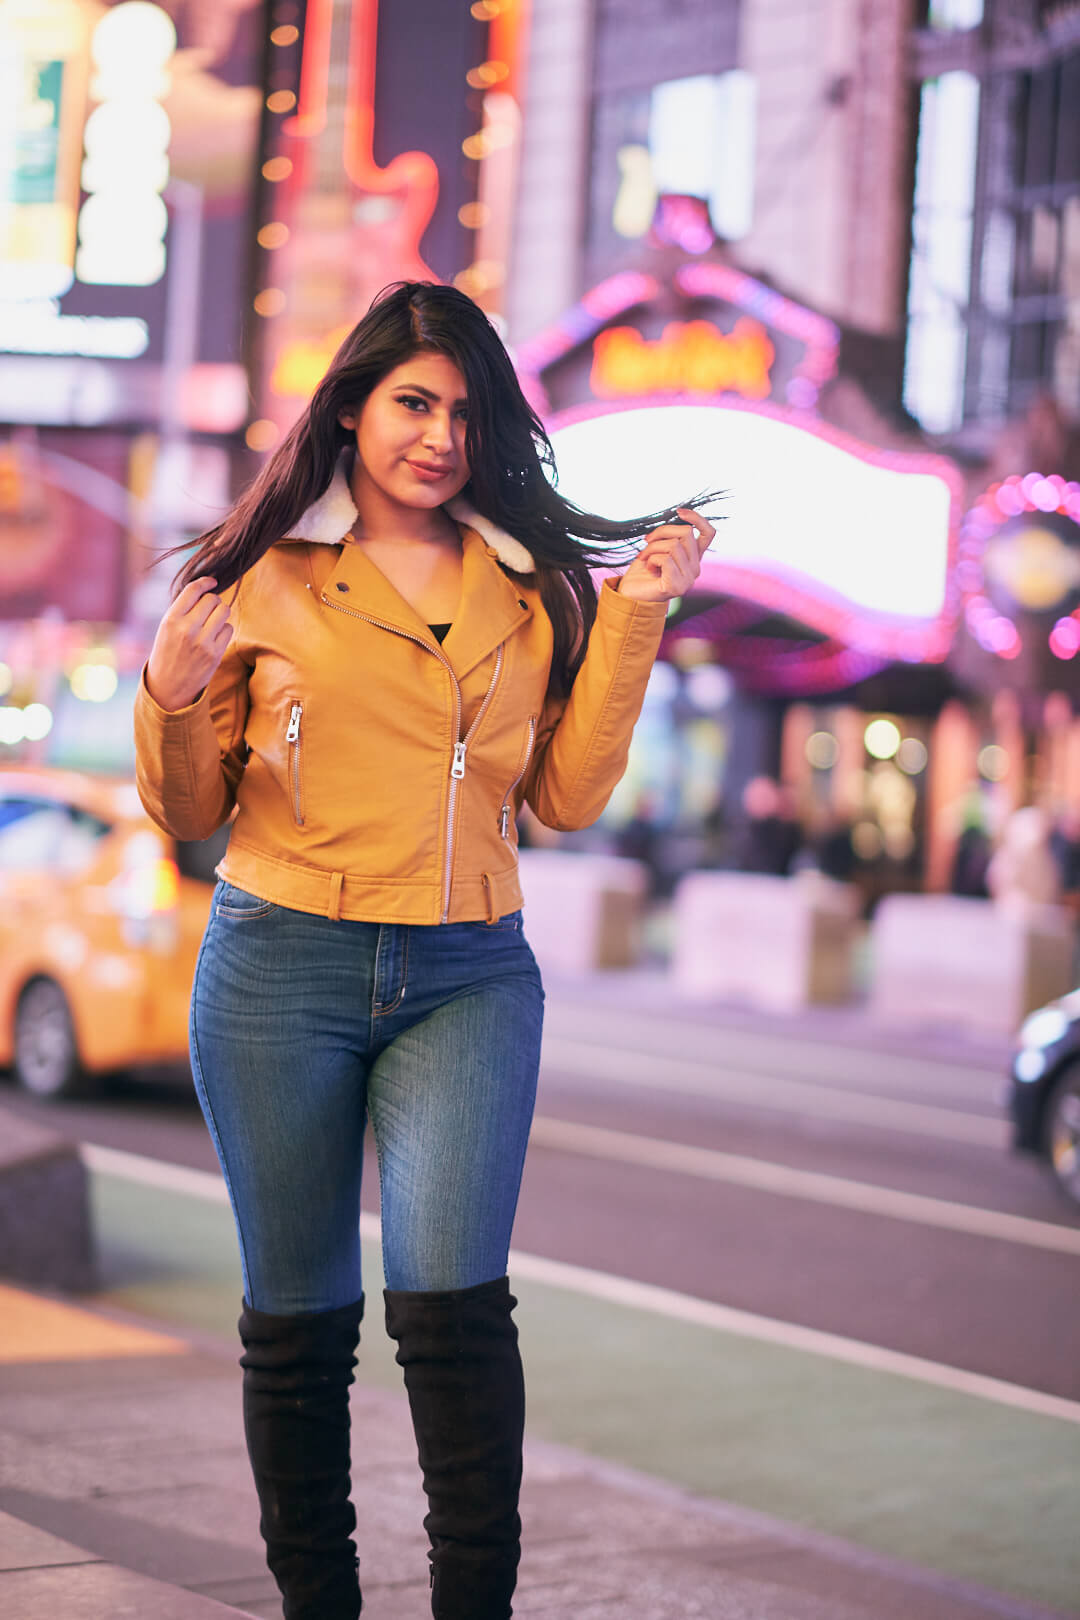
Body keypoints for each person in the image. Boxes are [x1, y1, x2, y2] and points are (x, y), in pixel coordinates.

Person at [133, 280, 716, 1620]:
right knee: (299, 1328)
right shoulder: (259, 579)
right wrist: (171, 695)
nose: (438, 434)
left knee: (453, 1316)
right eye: (412, 402)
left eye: (462, 409)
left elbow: (564, 800)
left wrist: (633, 620)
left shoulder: (535, 587)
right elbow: (193, 814)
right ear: (351, 407)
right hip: (281, 966)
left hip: (468, 974)